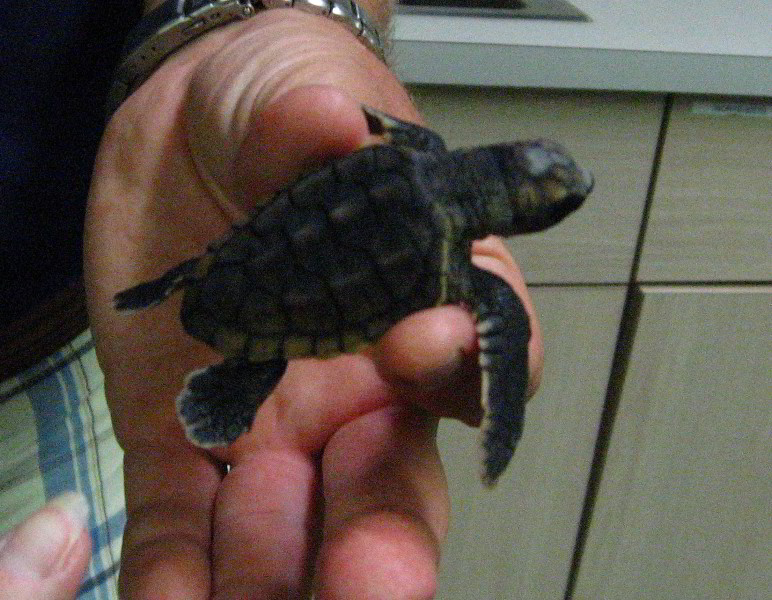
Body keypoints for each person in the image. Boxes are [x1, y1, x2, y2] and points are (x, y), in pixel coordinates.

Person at [0, 1, 544, 598]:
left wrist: (263, 19)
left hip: (103, 335)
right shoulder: (464, 270)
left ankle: (214, 353)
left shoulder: (416, 152)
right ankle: (231, 373)